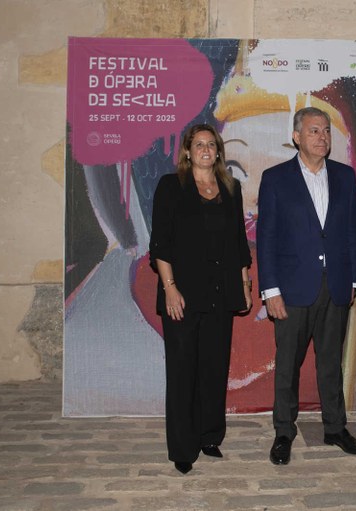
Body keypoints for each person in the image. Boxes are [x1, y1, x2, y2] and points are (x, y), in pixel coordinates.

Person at [256, 106, 356, 465]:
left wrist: (352, 279)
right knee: (287, 365)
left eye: (326, 131)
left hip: (336, 286)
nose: (322, 137)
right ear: (296, 137)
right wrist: (271, 290)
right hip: (292, 289)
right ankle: (283, 432)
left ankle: (335, 428)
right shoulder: (275, 178)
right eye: (314, 131)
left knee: (331, 362)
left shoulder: (345, 176)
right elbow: (266, 239)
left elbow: (351, 233)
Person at [149, 123, 253, 474]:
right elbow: (160, 243)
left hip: (221, 294)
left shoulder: (231, 188)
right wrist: (170, 287)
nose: (206, 149)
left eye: (212, 144)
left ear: (218, 151)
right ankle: (183, 447)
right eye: (199, 144)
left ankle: (209, 436)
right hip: (182, 294)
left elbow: (239, 243)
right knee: (182, 371)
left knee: (213, 367)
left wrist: (245, 285)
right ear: (187, 151)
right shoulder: (171, 186)